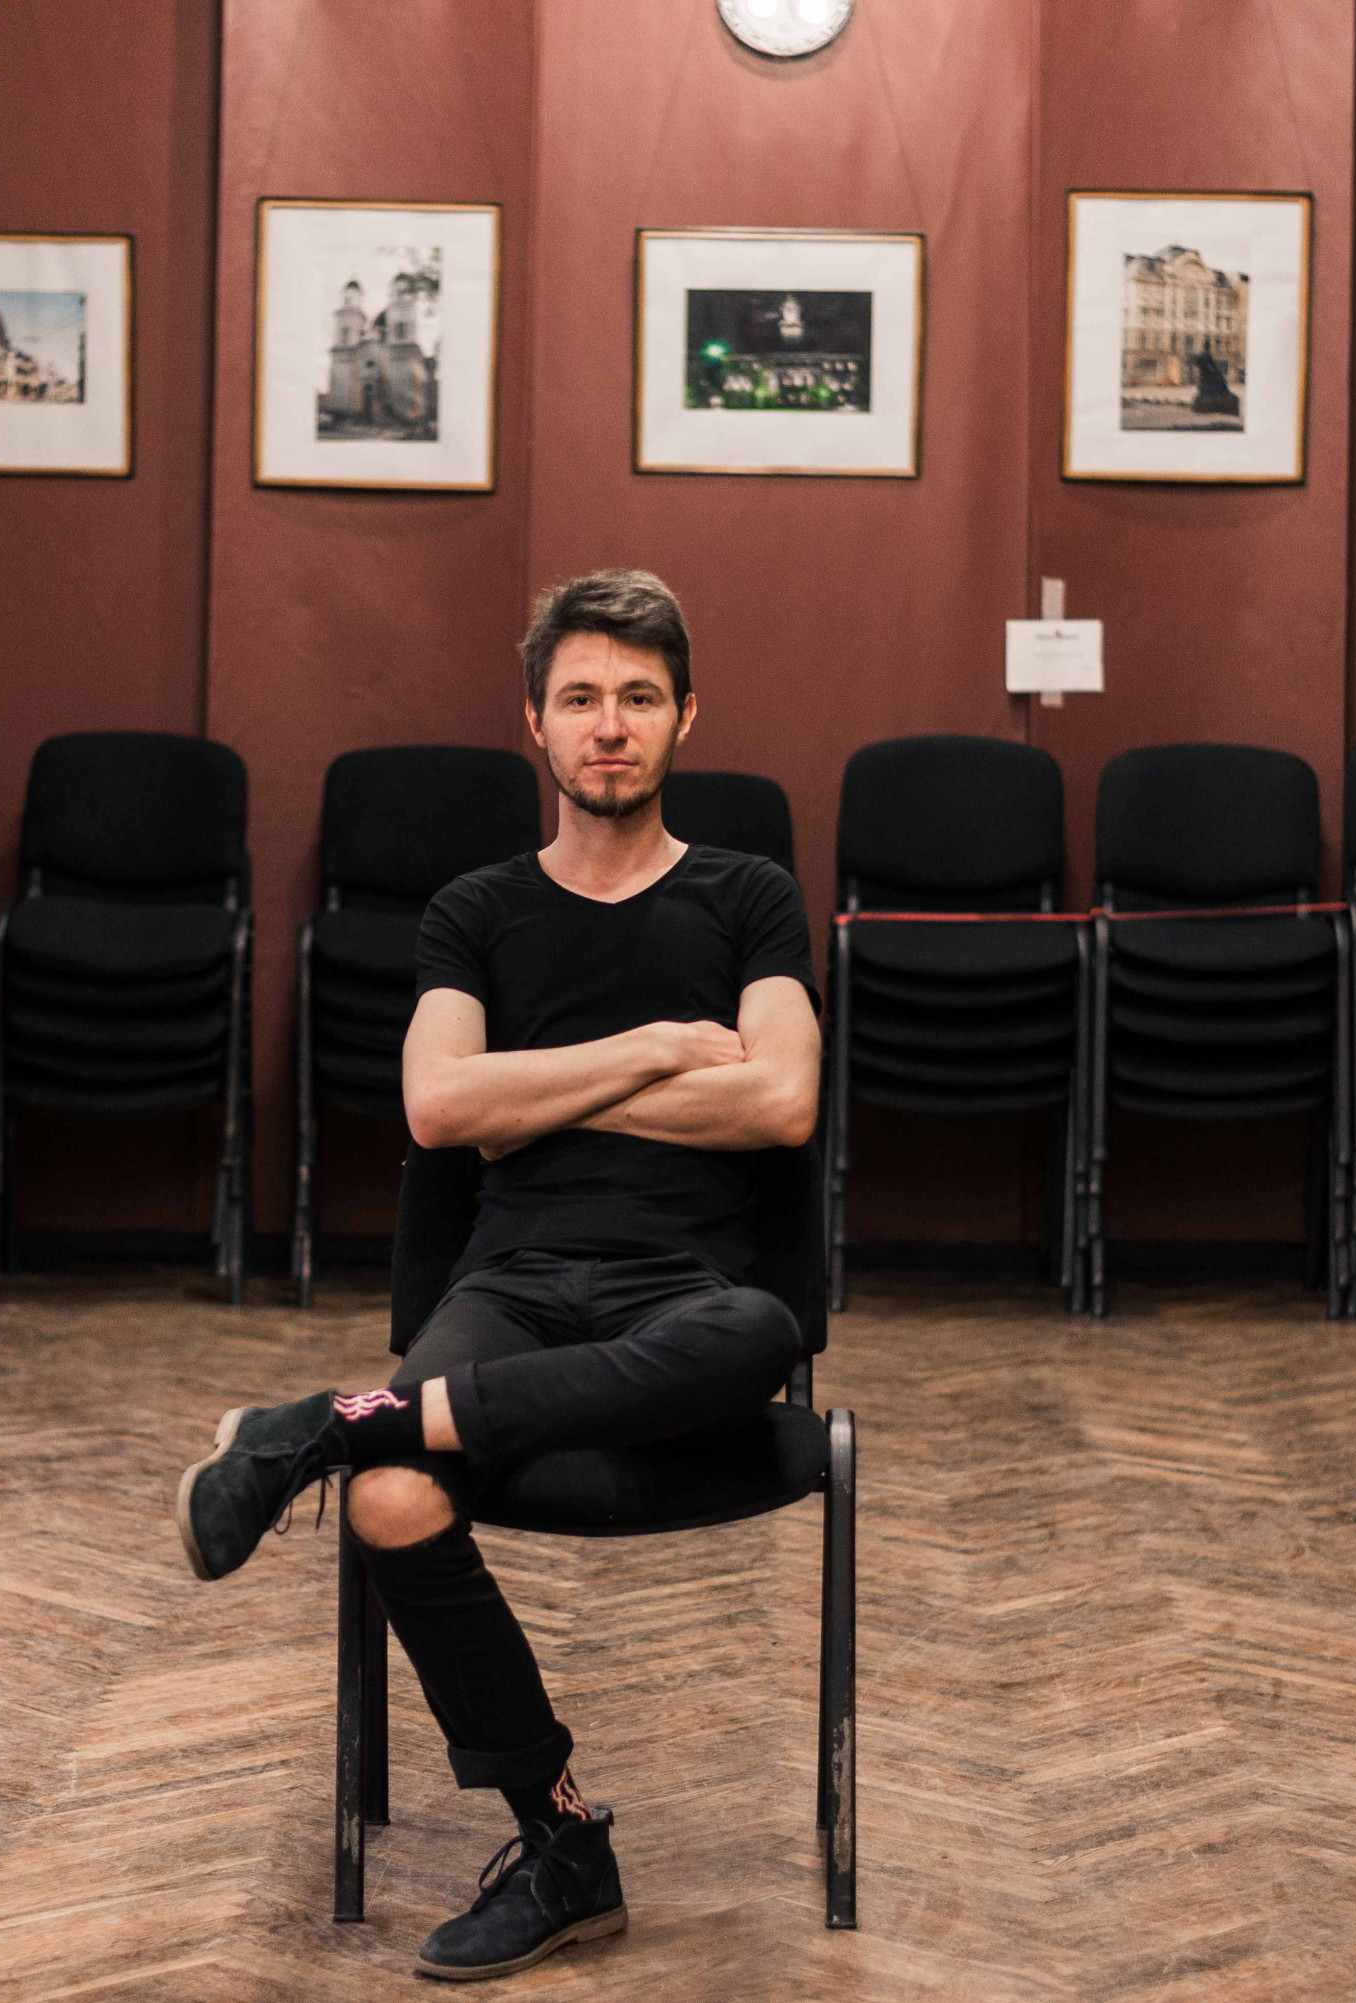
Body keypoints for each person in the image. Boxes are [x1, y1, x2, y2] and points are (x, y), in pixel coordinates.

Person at [175, 568, 819, 1983]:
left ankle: (323, 1427)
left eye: (639, 697)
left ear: (687, 716)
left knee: (758, 1333)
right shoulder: (475, 911)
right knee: (394, 1501)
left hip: (680, 1297)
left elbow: (779, 1103)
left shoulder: (750, 895)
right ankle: (562, 1844)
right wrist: (657, 1049)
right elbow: (439, 1108)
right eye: (581, 697)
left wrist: (532, 1096)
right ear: (535, 720)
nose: (610, 725)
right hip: (512, 1285)